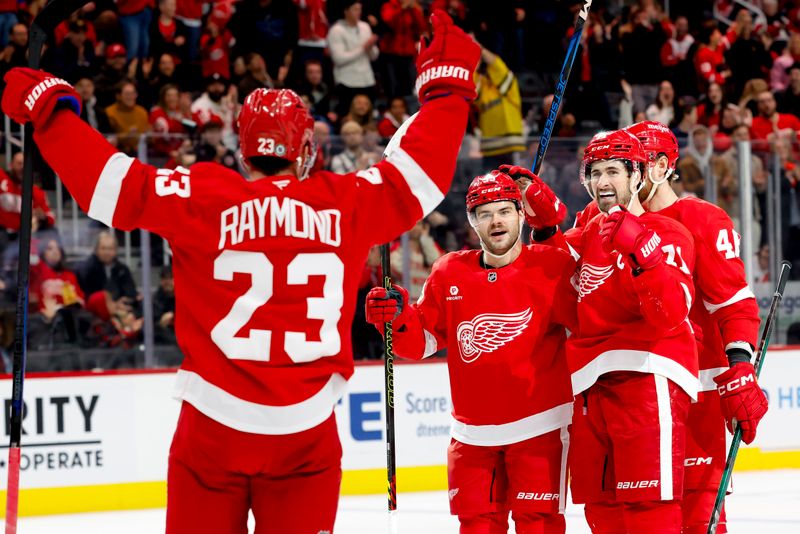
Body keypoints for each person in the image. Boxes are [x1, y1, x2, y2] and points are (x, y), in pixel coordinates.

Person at [1, 9, 480, 533]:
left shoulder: (203, 194)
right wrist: (447, 89)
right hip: (305, 434)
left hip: (212, 431)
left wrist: (51, 111)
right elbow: (418, 176)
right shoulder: (345, 201)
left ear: (243, 146)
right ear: (303, 149)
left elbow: (107, 184)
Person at [366, 169, 576, 532]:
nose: (496, 221)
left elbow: (593, 320)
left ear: (521, 215)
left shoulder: (551, 265)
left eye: (505, 211)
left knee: (538, 525)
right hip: (472, 436)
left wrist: (553, 226)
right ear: (472, 222)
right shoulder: (449, 271)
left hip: (539, 430)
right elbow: (422, 341)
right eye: (485, 213)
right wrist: (396, 319)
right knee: (476, 525)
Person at [518, 129, 698, 532]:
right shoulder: (582, 238)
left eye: (614, 171)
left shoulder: (668, 234)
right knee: (602, 512)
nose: (602, 182)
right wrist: (544, 225)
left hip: (648, 379)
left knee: (650, 512)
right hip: (590, 389)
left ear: (638, 177)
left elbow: (669, 314)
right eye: (594, 172)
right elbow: (545, 287)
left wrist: (643, 254)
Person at [625, 120, 768, 533]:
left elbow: (734, 303)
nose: (628, 171)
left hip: (694, 392)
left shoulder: (700, 219)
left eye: (638, 162)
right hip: (632, 396)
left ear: (661, 166)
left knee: (698, 517)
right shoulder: (609, 223)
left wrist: (740, 366)